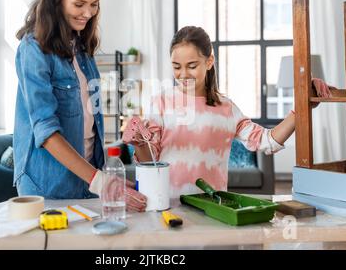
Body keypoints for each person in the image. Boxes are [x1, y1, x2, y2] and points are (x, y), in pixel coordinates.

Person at [122, 26, 332, 199]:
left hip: (213, 206)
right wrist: (139, 143)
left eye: (192, 65)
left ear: (209, 62)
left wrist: (302, 107)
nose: (183, 74)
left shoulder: (226, 108)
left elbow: (267, 141)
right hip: (166, 203)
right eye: (176, 67)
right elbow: (151, 160)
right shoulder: (161, 102)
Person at [13, 0, 146, 211]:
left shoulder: (82, 49)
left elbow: (89, 125)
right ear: (56, 0)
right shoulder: (33, 49)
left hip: (86, 177)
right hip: (47, 182)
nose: (88, 13)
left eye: (95, 4)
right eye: (79, 4)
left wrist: (105, 176)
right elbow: (46, 131)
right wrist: (102, 182)